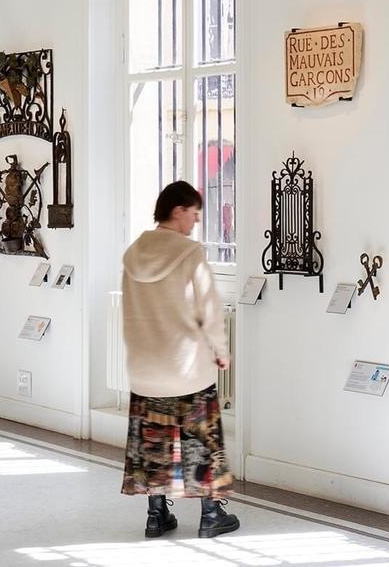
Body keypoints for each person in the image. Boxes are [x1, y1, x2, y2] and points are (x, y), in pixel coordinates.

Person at [120, 180, 239, 539]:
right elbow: (209, 308)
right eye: (194, 214)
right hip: (186, 364)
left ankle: (156, 515)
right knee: (201, 438)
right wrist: (220, 350)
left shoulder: (133, 253)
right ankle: (211, 514)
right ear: (178, 211)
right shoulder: (190, 253)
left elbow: (127, 309)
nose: (195, 223)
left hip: (145, 366)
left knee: (153, 440)